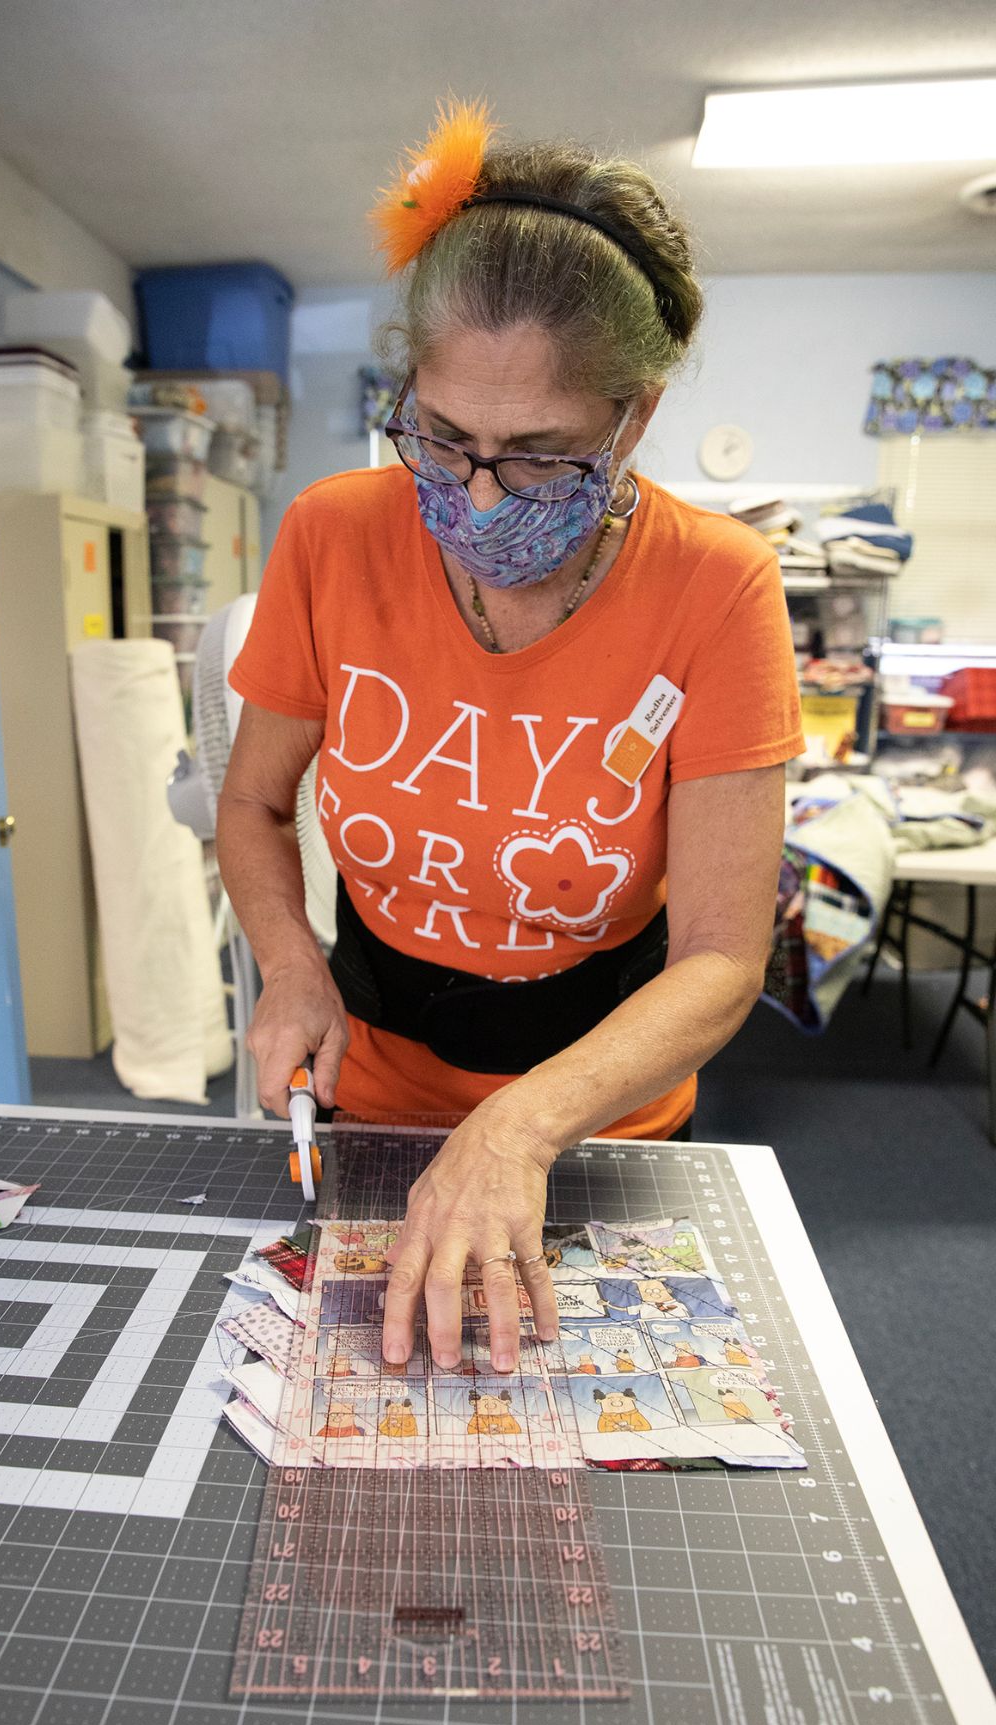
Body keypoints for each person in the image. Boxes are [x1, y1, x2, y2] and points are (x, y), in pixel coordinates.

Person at [219, 100, 802, 1382]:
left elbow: (718, 957)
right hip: (369, 1101)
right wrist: (292, 966)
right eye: (442, 437)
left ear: (633, 418)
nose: (477, 494)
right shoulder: (332, 533)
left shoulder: (719, 588)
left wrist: (520, 1132)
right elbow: (254, 805)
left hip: (601, 1124)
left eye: (538, 456)